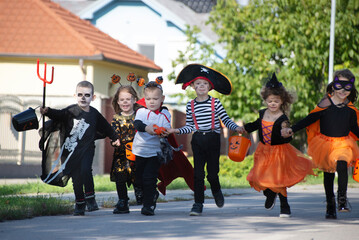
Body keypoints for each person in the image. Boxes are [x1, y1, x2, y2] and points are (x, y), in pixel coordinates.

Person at [281, 69, 359, 219]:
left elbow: (355, 128)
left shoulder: (350, 109)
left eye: (347, 87)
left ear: (351, 88)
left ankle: (341, 199)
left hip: (344, 144)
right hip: (325, 145)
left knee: (342, 164)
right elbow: (309, 119)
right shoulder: (325, 103)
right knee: (328, 175)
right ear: (333, 85)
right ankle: (330, 206)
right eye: (339, 85)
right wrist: (292, 129)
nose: (343, 90)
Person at [168, 64, 242, 216]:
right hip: (197, 140)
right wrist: (176, 130)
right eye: (198, 83)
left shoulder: (216, 103)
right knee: (198, 174)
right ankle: (198, 204)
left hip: (213, 139)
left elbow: (226, 120)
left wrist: (236, 127)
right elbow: (189, 126)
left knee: (212, 174)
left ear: (210, 87)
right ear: (193, 86)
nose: (201, 86)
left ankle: (216, 190)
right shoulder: (190, 105)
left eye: (205, 83)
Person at [40, 81, 120, 216]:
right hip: (70, 151)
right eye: (80, 94)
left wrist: (114, 137)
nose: (83, 98)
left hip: (87, 149)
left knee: (85, 170)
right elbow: (58, 115)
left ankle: (90, 198)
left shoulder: (94, 114)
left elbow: (106, 127)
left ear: (93, 98)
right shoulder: (71, 111)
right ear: (75, 96)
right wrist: (48, 111)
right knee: (76, 178)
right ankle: (80, 203)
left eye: (87, 95)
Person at [241, 73, 314, 218]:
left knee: (279, 179)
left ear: (282, 101)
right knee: (259, 176)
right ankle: (269, 192)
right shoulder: (263, 114)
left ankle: (284, 206)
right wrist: (245, 128)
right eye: (270, 101)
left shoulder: (283, 118)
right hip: (263, 150)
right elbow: (256, 125)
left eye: (276, 101)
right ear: (265, 100)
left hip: (279, 151)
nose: (273, 103)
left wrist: (287, 133)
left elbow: (286, 132)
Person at [132, 81, 171, 216]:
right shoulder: (141, 111)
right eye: (148, 99)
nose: (152, 102)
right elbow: (137, 124)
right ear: (144, 99)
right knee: (138, 179)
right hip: (140, 150)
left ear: (162, 99)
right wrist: (147, 128)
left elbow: (166, 127)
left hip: (155, 152)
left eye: (155, 99)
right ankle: (152, 194)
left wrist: (164, 132)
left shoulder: (165, 114)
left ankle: (148, 206)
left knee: (149, 178)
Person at [110, 85, 143, 214]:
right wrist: (114, 140)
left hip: (137, 153)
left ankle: (142, 194)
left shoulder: (140, 116)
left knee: (138, 176)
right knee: (120, 177)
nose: (125, 102)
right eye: (122, 99)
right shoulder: (116, 118)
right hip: (121, 155)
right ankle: (123, 201)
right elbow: (113, 132)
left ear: (134, 100)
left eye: (128, 99)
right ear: (118, 101)